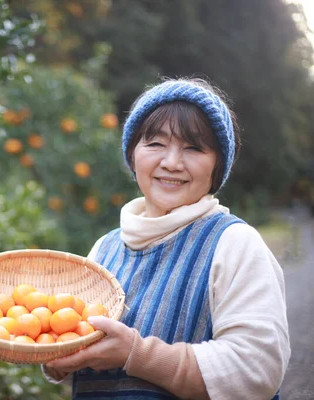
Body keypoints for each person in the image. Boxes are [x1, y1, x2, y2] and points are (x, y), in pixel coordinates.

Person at [42, 78, 290, 399]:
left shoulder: (235, 244)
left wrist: (137, 354)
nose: (172, 162)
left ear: (217, 167)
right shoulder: (105, 249)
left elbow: (257, 369)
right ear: (132, 155)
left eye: (194, 147)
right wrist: (57, 357)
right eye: (155, 144)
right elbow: (71, 338)